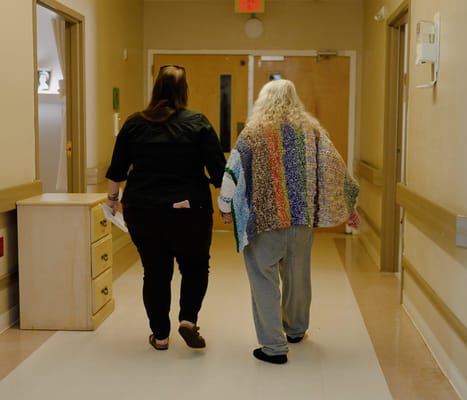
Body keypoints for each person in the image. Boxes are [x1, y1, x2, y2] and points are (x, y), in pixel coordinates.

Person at [217, 79, 360, 364]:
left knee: (263, 278)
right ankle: (295, 330)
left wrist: (223, 206)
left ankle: (273, 347)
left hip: (265, 221)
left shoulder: (253, 133)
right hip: (300, 221)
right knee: (297, 276)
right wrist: (349, 204)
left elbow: (232, 172)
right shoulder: (313, 132)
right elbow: (336, 167)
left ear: (263, 101)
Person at [105, 65, 226, 351]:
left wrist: (112, 199)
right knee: (195, 266)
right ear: (184, 91)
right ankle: (187, 321)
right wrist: (227, 203)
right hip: (189, 209)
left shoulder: (134, 124)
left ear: (155, 88)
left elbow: (117, 170)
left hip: (143, 209)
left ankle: (160, 336)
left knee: (155, 272)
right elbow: (220, 172)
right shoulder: (198, 123)